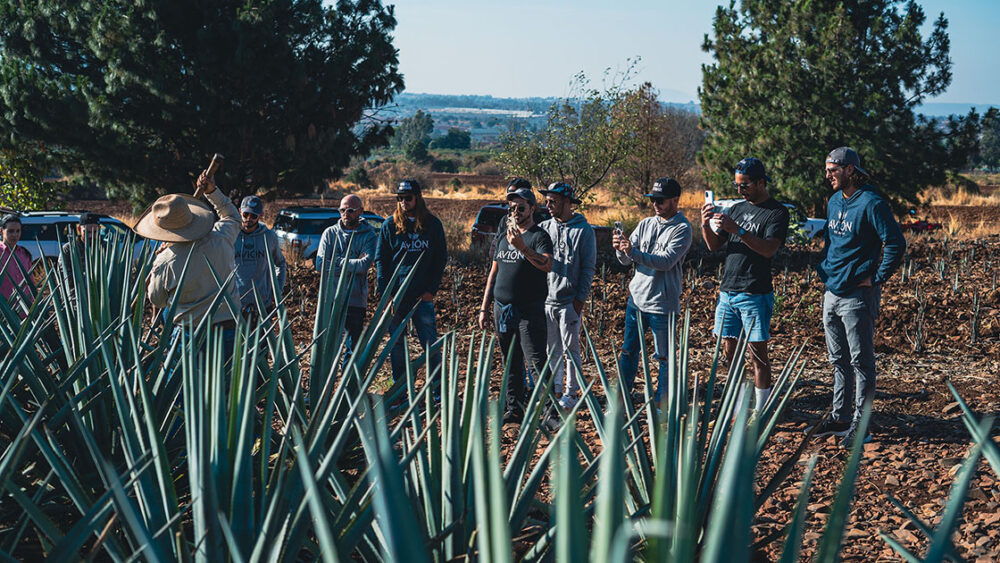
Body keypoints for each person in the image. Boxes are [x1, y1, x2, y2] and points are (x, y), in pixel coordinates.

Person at [809, 147, 905, 448]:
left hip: (858, 296)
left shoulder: (872, 203)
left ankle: (861, 425)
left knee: (861, 361)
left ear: (850, 170)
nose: (827, 176)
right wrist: (825, 270)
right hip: (832, 292)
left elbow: (895, 243)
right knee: (838, 359)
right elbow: (831, 241)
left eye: (832, 170)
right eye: (826, 170)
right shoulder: (834, 201)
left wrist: (875, 278)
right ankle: (839, 418)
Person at [701, 157, 789, 412]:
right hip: (728, 290)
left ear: (761, 182)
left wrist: (738, 231)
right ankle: (738, 406)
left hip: (754, 291)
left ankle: (762, 409)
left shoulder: (777, 212)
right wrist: (705, 224)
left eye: (745, 185)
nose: (740, 190)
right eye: (737, 185)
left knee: (757, 354)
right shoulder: (736, 208)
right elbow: (714, 245)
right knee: (730, 351)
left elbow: (769, 249)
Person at [137, 172, 241, 356]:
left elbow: (157, 300)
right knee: (227, 383)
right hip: (228, 331)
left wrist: (157, 265)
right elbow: (232, 217)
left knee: (182, 385)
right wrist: (213, 192)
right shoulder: (221, 237)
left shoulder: (165, 260)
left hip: (188, 336)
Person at [613, 177, 692, 406]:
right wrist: (621, 249)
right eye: (653, 199)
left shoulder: (682, 229)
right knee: (628, 352)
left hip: (662, 304)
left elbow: (666, 261)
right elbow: (627, 260)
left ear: (675, 200)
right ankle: (621, 402)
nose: (656, 204)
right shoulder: (646, 223)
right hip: (636, 301)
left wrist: (632, 252)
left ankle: (661, 405)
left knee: (664, 358)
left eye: (661, 200)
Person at [478, 183, 553, 424]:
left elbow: (547, 264)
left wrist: (524, 248)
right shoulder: (503, 236)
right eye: (511, 207)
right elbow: (494, 272)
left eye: (520, 207)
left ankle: (549, 414)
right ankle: (515, 408)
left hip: (529, 310)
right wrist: (484, 307)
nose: (515, 211)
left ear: (532, 208)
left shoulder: (539, 236)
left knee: (537, 363)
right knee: (510, 362)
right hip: (503, 309)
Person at [375, 179, 448, 386]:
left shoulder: (432, 225)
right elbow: (381, 260)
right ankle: (401, 390)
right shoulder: (389, 225)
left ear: (418, 198)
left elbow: (440, 259)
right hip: (397, 298)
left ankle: (437, 391)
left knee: (430, 346)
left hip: (421, 297)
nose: (403, 202)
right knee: (396, 346)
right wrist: (385, 293)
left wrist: (431, 290)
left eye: (408, 198)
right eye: (400, 198)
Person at [538, 182, 596, 411]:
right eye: (547, 201)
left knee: (570, 350)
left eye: (553, 201)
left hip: (568, 301)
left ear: (566, 202)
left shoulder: (584, 231)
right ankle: (556, 388)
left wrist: (579, 300)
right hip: (546, 299)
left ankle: (572, 393)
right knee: (551, 349)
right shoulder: (544, 227)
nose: (548, 205)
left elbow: (588, 268)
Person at [316, 194, 377, 361]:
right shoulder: (329, 234)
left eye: (350, 210)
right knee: (328, 349)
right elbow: (320, 265)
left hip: (356, 300)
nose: (345, 214)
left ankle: (348, 386)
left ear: (360, 211)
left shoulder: (369, 235)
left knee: (353, 349)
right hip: (331, 299)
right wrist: (352, 264)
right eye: (342, 210)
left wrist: (336, 261)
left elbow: (365, 265)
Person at [234, 195, 287, 321]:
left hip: (263, 305)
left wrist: (277, 291)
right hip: (235, 304)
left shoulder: (269, 237)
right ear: (240, 211)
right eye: (246, 214)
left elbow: (280, 263)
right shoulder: (231, 236)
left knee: (263, 340)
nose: (249, 219)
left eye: (253, 216)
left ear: (260, 215)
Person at [0, 214, 34, 309]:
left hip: (24, 310)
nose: (15, 235)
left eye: (18, 231)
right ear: (1, 231)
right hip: (4, 310)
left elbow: (30, 282)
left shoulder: (24, 253)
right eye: (10, 231)